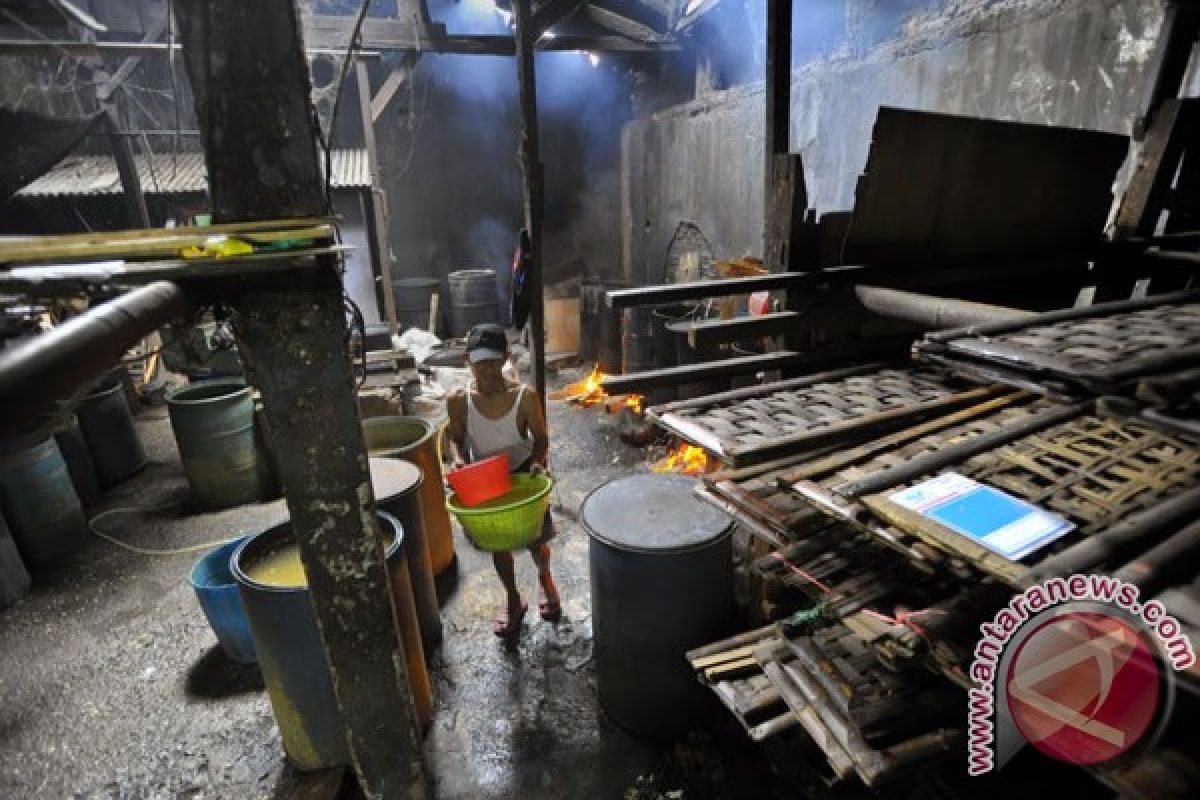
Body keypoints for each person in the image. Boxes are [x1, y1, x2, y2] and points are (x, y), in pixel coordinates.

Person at [446, 323, 561, 637]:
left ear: (506, 358)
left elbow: (541, 439)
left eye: (493, 362)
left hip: (523, 473)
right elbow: (454, 439)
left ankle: (545, 579)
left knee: (537, 541)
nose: (486, 371)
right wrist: (456, 459)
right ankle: (512, 597)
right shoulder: (458, 399)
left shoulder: (525, 396)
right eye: (479, 363)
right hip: (485, 479)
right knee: (499, 546)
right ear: (467, 361)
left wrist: (538, 462)